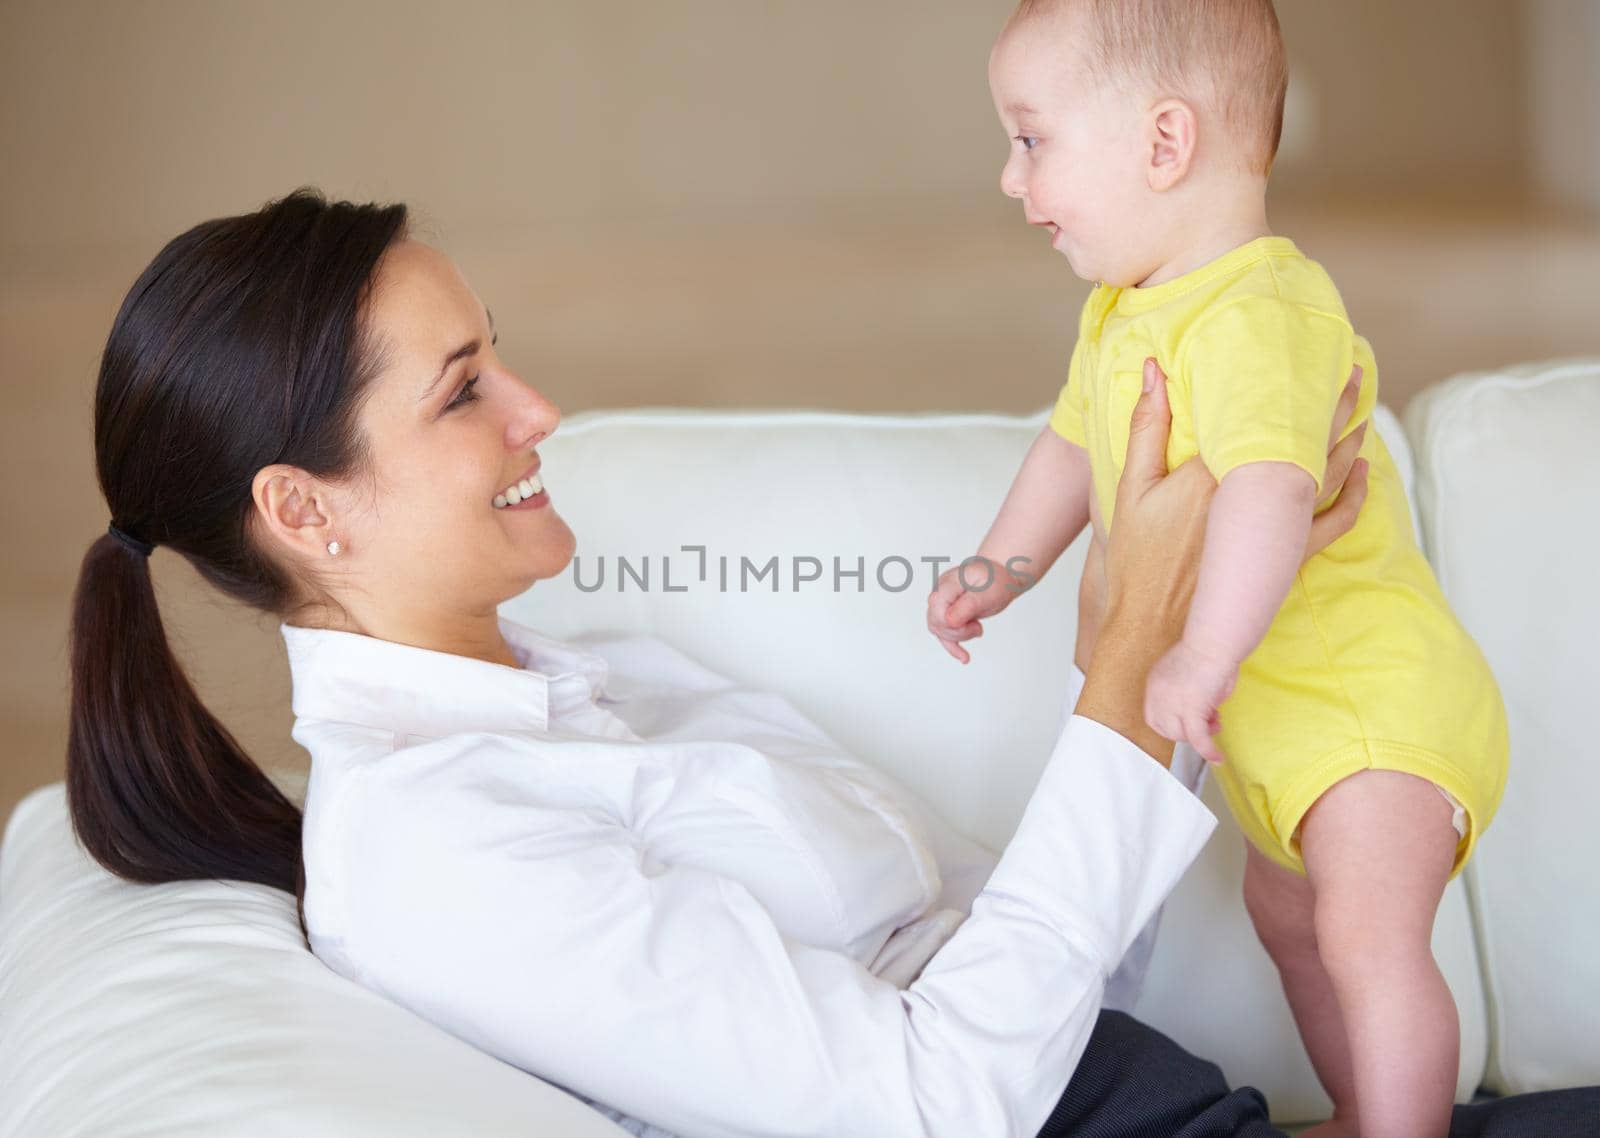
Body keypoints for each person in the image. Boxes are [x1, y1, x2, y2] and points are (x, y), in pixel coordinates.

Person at [66, 192, 1593, 1137]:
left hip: (1177, 1096)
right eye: (466, 391)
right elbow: (937, 1104)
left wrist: (1149, 637)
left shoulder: (610, 676)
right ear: (304, 510)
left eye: (501, 353)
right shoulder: (434, 850)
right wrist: (1134, 670)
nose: (538, 406)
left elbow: (1034, 968)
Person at [927, 3, 1510, 1134]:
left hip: (1371, 706)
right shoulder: (1121, 315)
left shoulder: (1260, 308)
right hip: (1281, 731)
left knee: (1362, 937)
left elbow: (1270, 488)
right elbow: (1067, 448)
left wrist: (1202, 650)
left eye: (1032, 139)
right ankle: (1364, 1109)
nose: (1010, 178)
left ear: (1162, 143)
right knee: (1290, 926)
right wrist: (1002, 566)